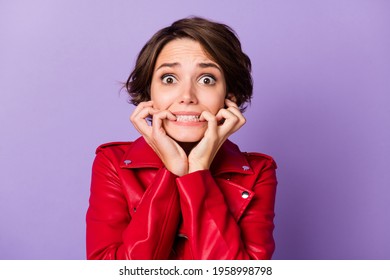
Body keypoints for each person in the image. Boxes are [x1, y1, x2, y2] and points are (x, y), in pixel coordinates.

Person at [86, 17, 277, 260]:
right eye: (169, 79)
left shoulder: (258, 172)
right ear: (149, 92)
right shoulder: (112, 162)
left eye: (206, 79)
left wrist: (197, 172)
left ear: (230, 96)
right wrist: (172, 171)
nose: (187, 96)